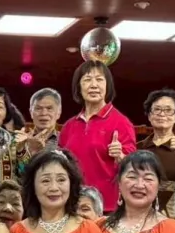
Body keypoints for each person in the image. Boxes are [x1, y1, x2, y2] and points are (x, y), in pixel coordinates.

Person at [58, 60, 136, 210]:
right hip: (72, 205)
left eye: (99, 79)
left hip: (107, 207)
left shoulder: (121, 123)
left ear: (108, 86)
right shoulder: (69, 126)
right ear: (79, 87)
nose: (94, 85)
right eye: (87, 80)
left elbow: (134, 168)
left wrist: (121, 156)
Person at [15, 88, 62, 177]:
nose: (43, 113)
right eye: (38, 108)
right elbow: (19, 176)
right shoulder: (19, 141)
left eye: (49, 108)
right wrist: (30, 151)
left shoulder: (66, 140)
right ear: (31, 112)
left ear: (58, 112)